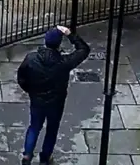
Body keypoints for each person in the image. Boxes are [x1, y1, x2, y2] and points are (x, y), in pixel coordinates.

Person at [17, 25, 90, 165]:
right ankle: (45, 158)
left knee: (34, 127)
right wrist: (70, 34)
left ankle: (27, 155)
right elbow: (84, 50)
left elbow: (21, 78)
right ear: (59, 44)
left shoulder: (31, 58)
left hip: (37, 100)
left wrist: (30, 91)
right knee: (52, 129)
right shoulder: (64, 62)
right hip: (56, 102)